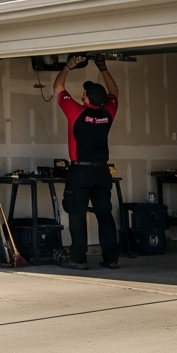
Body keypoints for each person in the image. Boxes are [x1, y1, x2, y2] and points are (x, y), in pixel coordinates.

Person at [54, 54, 120, 270]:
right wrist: (103, 68)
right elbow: (114, 93)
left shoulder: (76, 113)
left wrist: (68, 65)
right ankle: (111, 259)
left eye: (84, 93)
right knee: (104, 215)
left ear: (85, 98)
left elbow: (58, 87)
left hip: (80, 172)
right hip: (102, 172)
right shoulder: (107, 113)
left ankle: (78, 259)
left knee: (76, 215)